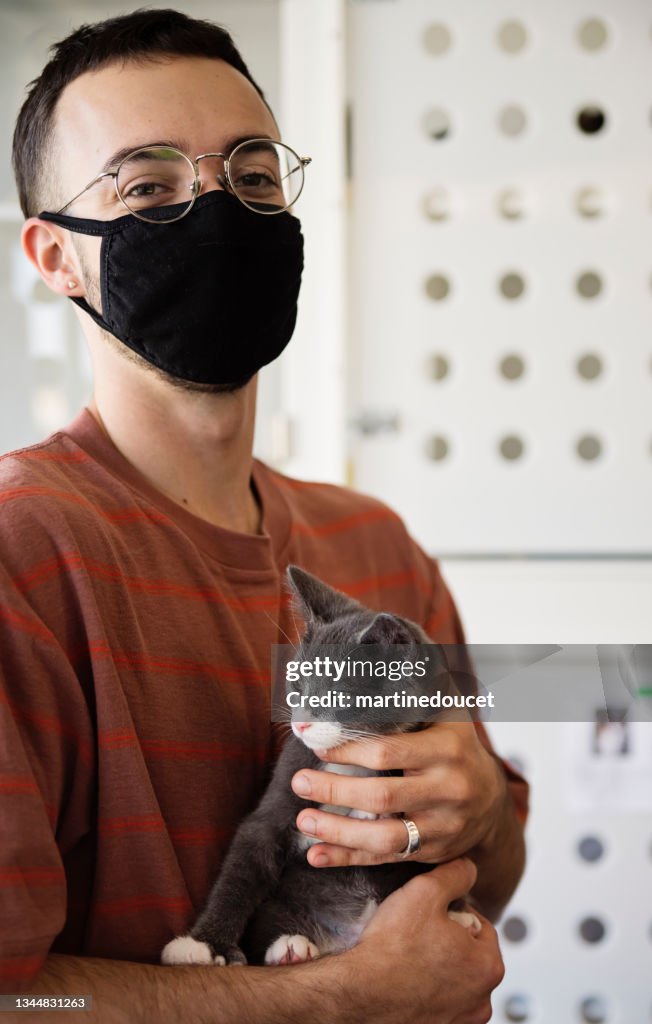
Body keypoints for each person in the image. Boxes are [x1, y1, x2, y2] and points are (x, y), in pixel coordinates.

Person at [0, 9, 528, 1022]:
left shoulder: (373, 550)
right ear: (56, 256)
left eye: (250, 177)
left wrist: (483, 808)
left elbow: (482, 881)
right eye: (147, 187)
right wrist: (341, 997)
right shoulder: (24, 555)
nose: (215, 215)